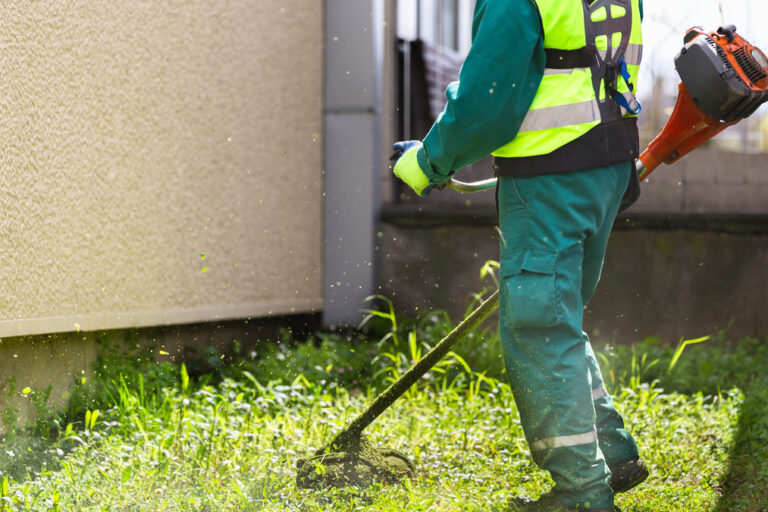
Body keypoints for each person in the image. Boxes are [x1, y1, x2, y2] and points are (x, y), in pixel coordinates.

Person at [391, 1, 649, 510]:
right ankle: (613, 454)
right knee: (559, 320)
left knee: (540, 330)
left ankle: (581, 493)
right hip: (607, 165)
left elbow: (489, 99)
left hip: (551, 174)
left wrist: (426, 161)